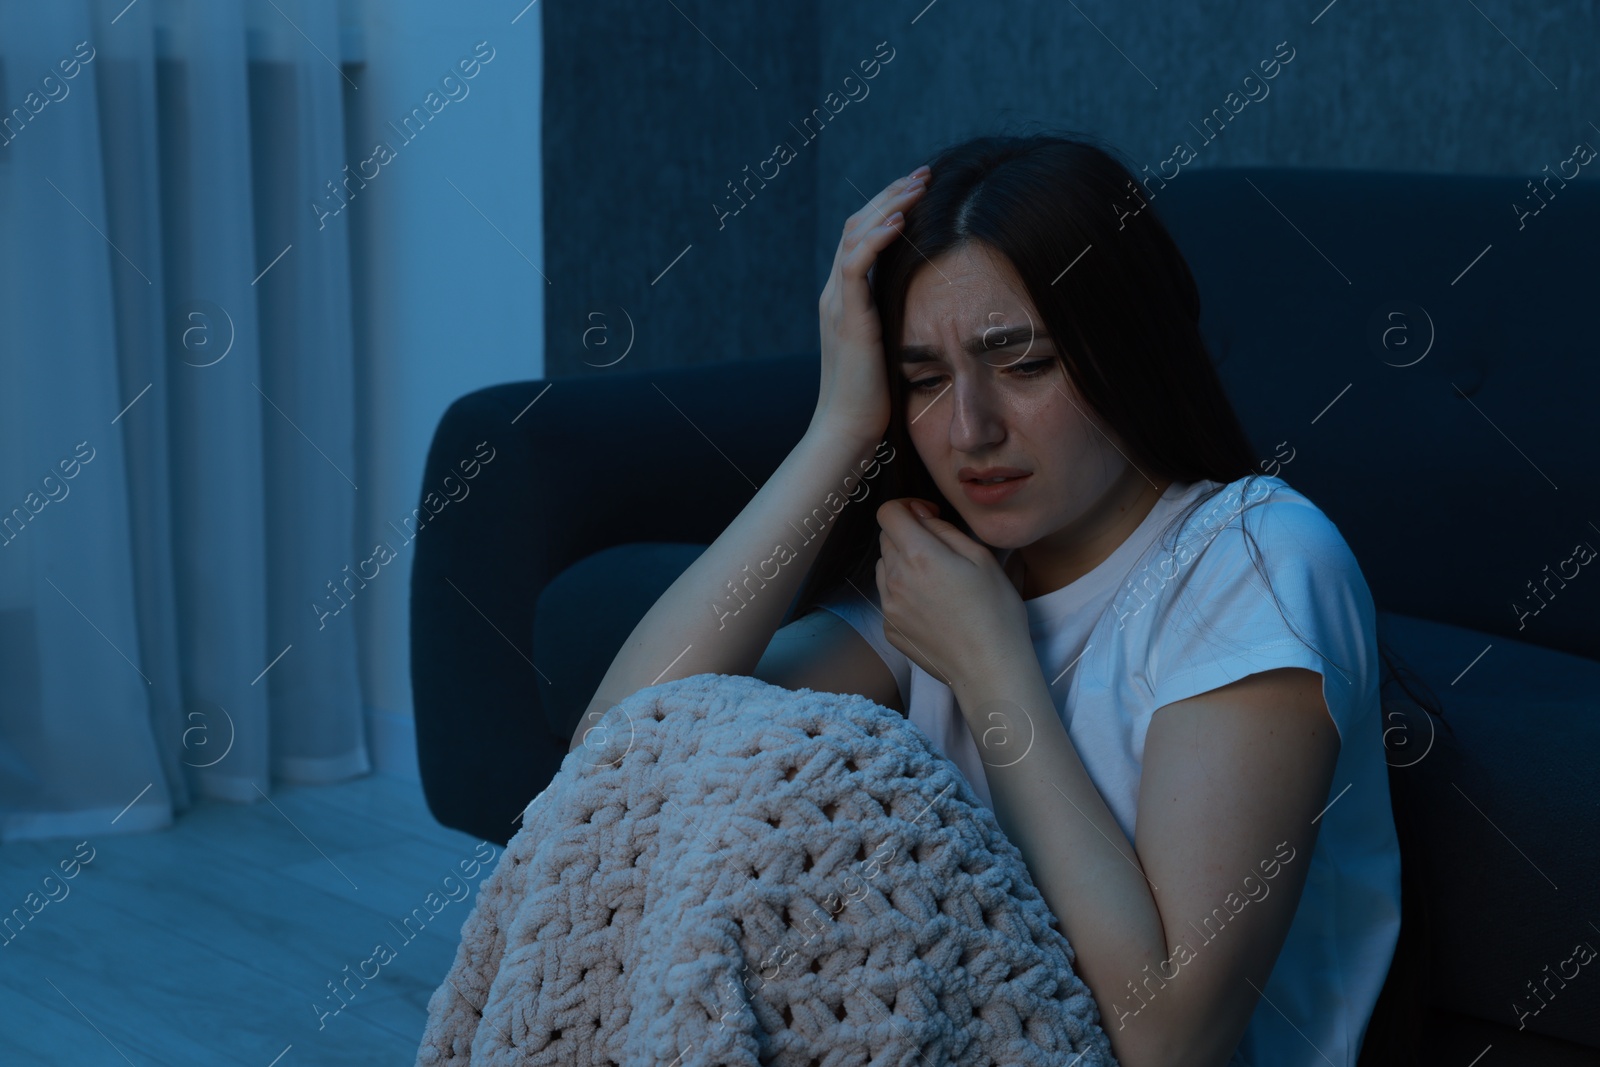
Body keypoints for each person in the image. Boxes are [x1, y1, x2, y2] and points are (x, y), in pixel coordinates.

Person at [570, 132, 1413, 1067]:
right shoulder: (956, 565)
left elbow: (1169, 1038)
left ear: (1127, 346)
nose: (969, 427)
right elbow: (619, 765)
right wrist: (839, 428)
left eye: (1023, 362)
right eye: (924, 378)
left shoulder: (1254, 559)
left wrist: (991, 665)